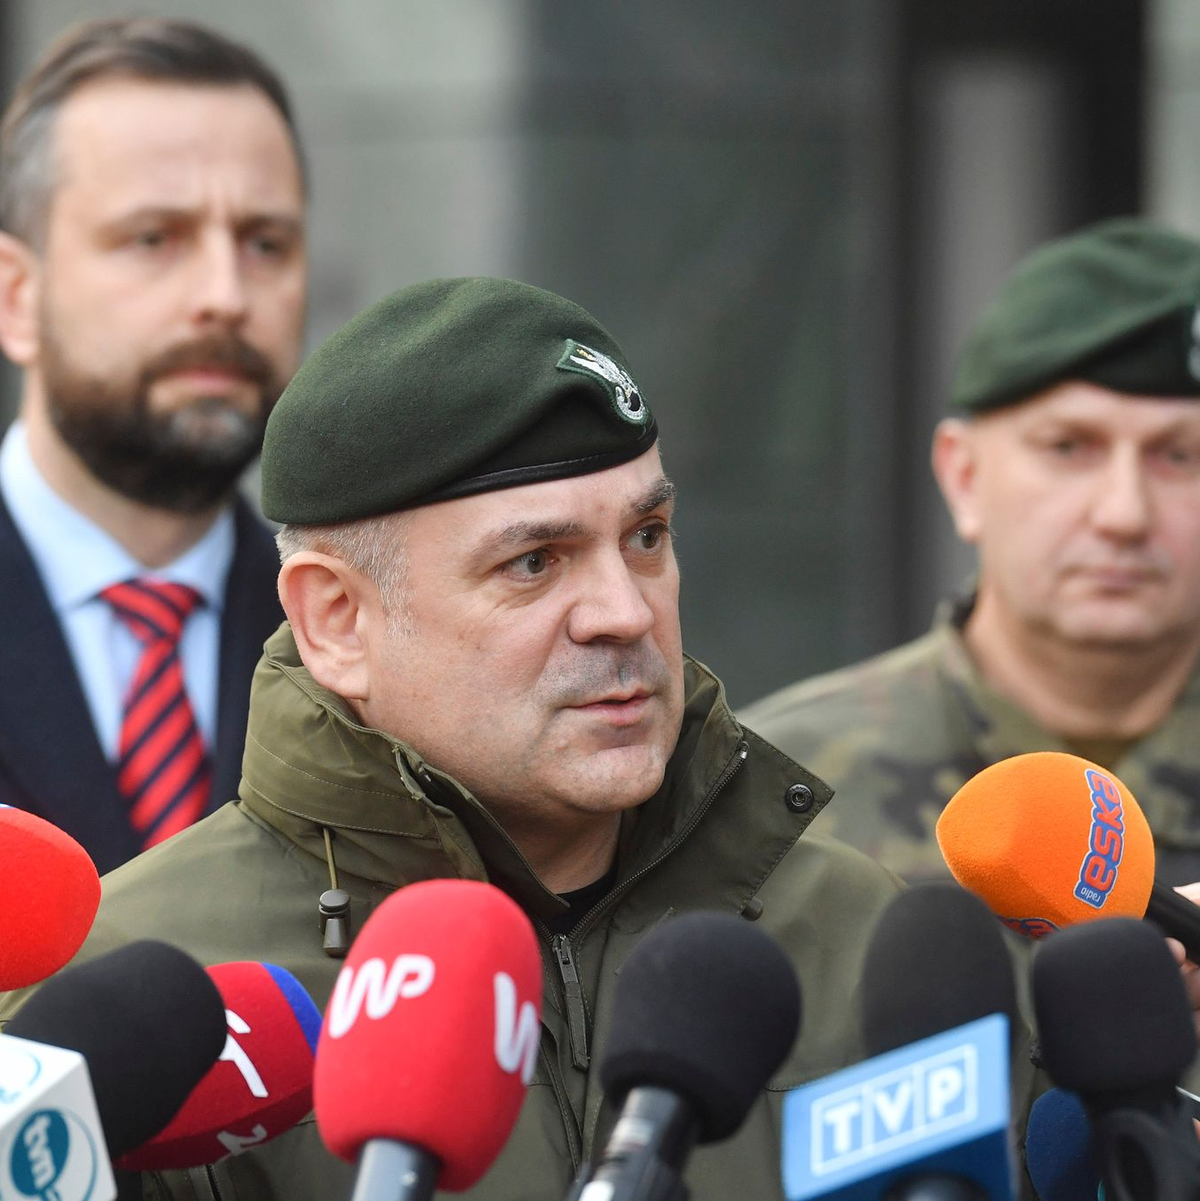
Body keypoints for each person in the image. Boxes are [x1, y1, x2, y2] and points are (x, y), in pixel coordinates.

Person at [0, 277, 902, 1200]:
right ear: (339, 619)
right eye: (534, 562)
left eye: (646, 536)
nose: (625, 612)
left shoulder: (871, 946)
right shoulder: (126, 1023)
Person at [742, 218, 1200, 885]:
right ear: (964, 476)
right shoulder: (776, 795)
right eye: (1067, 447)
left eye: (1180, 455)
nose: (1124, 513)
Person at [0, 18, 307, 872]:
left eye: (265, 243)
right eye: (152, 238)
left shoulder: (357, 644)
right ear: (18, 298)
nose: (225, 295)